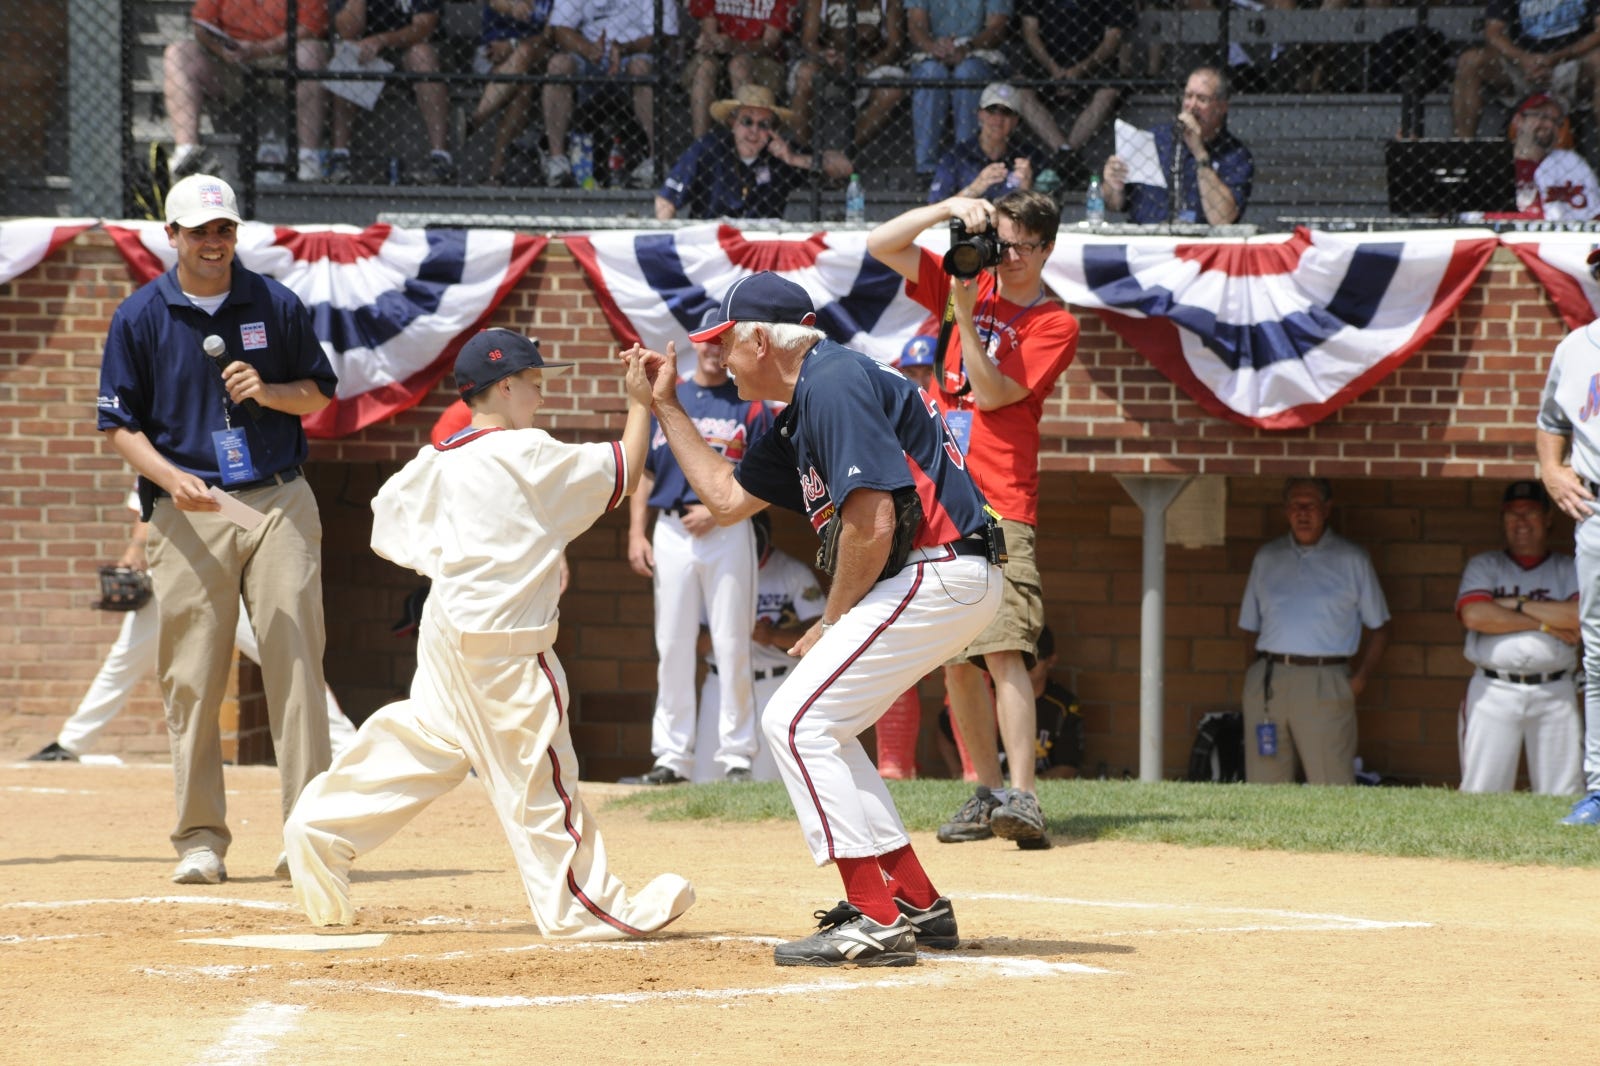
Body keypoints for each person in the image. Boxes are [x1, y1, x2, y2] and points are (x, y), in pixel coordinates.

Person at [628, 270, 1003, 966]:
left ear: (763, 341)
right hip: (943, 573)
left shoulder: (829, 380)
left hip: (939, 567)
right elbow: (725, 498)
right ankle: (913, 899)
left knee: (793, 721)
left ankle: (873, 914)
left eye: (726, 342)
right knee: (821, 724)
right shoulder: (794, 407)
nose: (717, 355)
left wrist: (834, 619)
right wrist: (665, 408)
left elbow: (875, 518)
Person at [283, 329, 696, 937]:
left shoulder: (440, 457)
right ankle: (584, 912)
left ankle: (318, 828)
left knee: (423, 742)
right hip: (507, 649)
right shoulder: (526, 451)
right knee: (538, 782)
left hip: (448, 634)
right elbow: (628, 471)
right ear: (504, 385)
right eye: (533, 382)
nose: (539, 394)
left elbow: (387, 526)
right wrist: (642, 401)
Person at [95, 173, 338, 884]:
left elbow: (318, 394)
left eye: (224, 229)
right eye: (199, 231)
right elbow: (118, 424)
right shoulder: (139, 316)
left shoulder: (274, 303)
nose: (214, 242)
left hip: (278, 500)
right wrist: (169, 479)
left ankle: (307, 832)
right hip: (189, 509)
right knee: (194, 676)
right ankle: (201, 839)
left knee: (297, 660)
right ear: (171, 236)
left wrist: (267, 391)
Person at [866, 189, 1078, 849]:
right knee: (956, 659)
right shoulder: (971, 279)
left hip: (1003, 503)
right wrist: (945, 212)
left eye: (1019, 246)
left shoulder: (1053, 323)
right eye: (1000, 241)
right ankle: (986, 795)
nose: (1005, 256)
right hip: (944, 505)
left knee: (1006, 649)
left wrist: (960, 307)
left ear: (1045, 248)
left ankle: (1025, 795)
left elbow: (990, 393)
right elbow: (881, 245)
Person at [30, 516, 357, 764]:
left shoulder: (221, 446)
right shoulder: (156, 447)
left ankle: (350, 748)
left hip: (224, 573)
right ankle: (71, 744)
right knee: (124, 657)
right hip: (169, 572)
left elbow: (252, 516)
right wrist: (134, 550)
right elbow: (146, 504)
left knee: (285, 655)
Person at [624, 312, 774, 785]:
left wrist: (721, 509)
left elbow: (769, 475)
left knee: (732, 642)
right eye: (706, 342)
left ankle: (737, 756)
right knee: (671, 644)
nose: (713, 350)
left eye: (721, 342)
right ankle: (671, 757)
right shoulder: (672, 396)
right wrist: (636, 533)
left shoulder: (749, 402)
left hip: (728, 527)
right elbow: (644, 475)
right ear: (694, 346)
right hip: (670, 529)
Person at [1237, 477, 1391, 786]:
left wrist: (1359, 679)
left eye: (1310, 505)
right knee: (1264, 780)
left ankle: (1331, 836)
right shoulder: (1267, 557)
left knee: (1330, 780)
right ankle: (1265, 836)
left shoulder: (1352, 559)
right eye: (1295, 506)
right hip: (1269, 678)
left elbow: (1381, 627)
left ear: (1327, 509)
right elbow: (1248, 626)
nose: (1302, 513)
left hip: (1325, 679)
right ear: (1285, 511)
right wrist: (1253, 673)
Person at [1456, 480, 1583, 796]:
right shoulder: (1485, 565)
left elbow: (1577, 618)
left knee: (1562, 793)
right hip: (1493, 689)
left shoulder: (1570, 568)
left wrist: (1516, 604)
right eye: (1512, 514)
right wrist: (1543, 625)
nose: (1521, 522)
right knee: (1481, 791)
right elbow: (1475, 615)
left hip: (1556, 690)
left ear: (1549, 518)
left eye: (1530, 513)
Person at [689, 512, 828, 782]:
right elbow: (692, 643)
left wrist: (773, 635)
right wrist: (727, 629)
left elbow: (820, 632)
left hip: (774, 684)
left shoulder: (791, 571)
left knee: (766, 782)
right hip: (720, 685)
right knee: (705, 779)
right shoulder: (711, 573)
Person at [1536, 269, 1600, 824]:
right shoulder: (1575, 348)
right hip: (1595, 510)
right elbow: (1551, 420)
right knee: (1599, 655)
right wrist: (1551, 470)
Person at [873, 332, 942, 780]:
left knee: (966, 665)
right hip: (903, 546)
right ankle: (895, 766)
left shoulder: (957, 410)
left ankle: (978, 772)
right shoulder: (889, 417)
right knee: (891, 661)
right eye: (910, 372)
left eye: (925, 371)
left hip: (954, 545)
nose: (918, 380)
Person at [164, 0, 331, 183]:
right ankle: (187, 152)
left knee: (311, 50)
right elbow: (201, 25)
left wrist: (261, 49)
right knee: (177, 53)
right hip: (232, 62)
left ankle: (308, 159)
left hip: (284, 59)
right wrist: (221, 49)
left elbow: (312, 27)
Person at [655, 85, 855, 220]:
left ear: (773, 129)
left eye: (764, 124)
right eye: (747, 121)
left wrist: (795, 159)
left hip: (763, 250)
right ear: (733, 123)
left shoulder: (780, 153)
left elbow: (845, 167)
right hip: (711, 243)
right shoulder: (708, 147)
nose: (754, 131)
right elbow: (666, 200)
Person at [541, 0, 679, 189]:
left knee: (640, 67)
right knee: (558, 65)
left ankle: (655, 161)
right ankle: (557, 162)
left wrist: (624, 49)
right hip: (590, 58)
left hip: (635, 54)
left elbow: (663, 37)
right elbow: (560, 29)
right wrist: (588, 49)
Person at [1101, 64, 1253, 225]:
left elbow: (1222, 220)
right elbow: (1114, 205)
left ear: (1222, 107)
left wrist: (1199, 152)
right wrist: (1113, 184)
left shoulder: (1236, 155)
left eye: (1202, 99)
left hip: (1199, 245)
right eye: (1188, 96)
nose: (1192, 105)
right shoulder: (1155, 139)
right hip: (1145, 238)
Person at [325, 0, 456, 185]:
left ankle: (441, 158)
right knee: (346, 51)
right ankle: (340, 157)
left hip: (416, 45)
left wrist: (382, 40)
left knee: (421, 55)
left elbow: (424, 27)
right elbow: (347, 30)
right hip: (368, 49)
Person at [1010, 0, 1132, 182]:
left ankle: (1064, 155)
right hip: (1045, 63)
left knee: (1109, 89)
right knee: (1020, 89)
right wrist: (1053, 68)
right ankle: (1066, 153)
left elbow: (1112, 38)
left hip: (1094, 64)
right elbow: (1030, 32)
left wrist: (1080, 70)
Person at [1452, 0, 1600, 140]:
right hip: (1522, 65)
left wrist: (1557, 57)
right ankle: (1463, 145)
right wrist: (1522, 58)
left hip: (1572, 63)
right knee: (1469, 61)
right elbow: (1493, 31)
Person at [905, 0, 1011, 179]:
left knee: (967, 72)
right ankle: (926, 168)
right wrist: (934, 48)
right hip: (933, 51)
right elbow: (916, 25)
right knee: (931, 74)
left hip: (978, 51)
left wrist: (967, 47)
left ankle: (966, 163)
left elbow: (997, 27)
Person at [788, 0, 908, 153]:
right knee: (806, 73)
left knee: (892, 90)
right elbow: (808, 40)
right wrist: (824, 55)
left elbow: (895, 45)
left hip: (869, 64)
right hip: (830, 64)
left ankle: (845, 153)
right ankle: (803, 152)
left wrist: (868, 65)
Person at [463, 1, 555, 186]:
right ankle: (496, 174)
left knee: (525, 52)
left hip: (536, 53)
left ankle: (475, 119)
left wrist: (513, 44)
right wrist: (513, 6)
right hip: (493, 52)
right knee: (523, 87)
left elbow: (551, 35)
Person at [684, 0, 797, 141]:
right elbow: (709, 29)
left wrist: (735, 45)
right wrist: (709, 41)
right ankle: (700, 146)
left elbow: (770, 44)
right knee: (704, 69)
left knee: (739, 65)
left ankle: (746, 144)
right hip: (718, 54)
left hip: (761, 58)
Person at [927, 82, 1049, 203]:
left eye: (1006, 112)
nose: (998, 119)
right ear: (980, 114)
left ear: (1015, 120)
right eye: (992, 110)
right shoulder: (956, 156)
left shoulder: (1031, 157)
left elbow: (1050, 210)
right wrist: (975, 188)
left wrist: (1027, 189)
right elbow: (935, 207)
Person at [996, 623, 1082, 781]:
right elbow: (945, 730)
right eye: (1024, 656)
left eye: (1038, 656)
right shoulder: (993, 695)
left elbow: (1068, 767)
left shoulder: (1063, 705)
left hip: (1037, 780)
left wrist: (1027, 785)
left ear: (1051, 660)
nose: (1030, 663)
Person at [1496, 93, 1600, 221]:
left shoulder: (1572, 163)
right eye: (1542, 116)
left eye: (1556, 121)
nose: (1550, 125)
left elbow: (1595, 217)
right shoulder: (1494, 162)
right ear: (1518, 120)